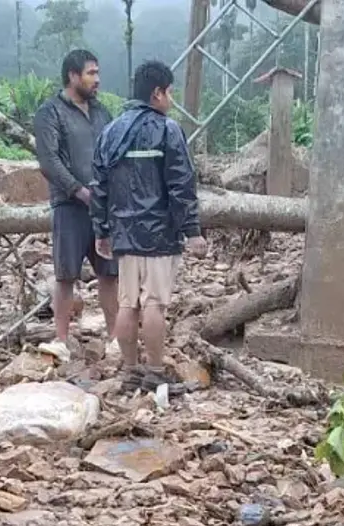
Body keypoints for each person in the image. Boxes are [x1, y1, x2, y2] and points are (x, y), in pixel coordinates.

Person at [91, 60, 207, 372]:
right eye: (170, 92)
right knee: (155, 304)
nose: (171, 99)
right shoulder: (168, 130)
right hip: (160, 233)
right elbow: (181, 184)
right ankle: (155, 370)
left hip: (124, 234)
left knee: (128, 304)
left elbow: (99, 186)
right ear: (157, 93)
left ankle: (130, 369)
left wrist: (102, 229)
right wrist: (192, 230)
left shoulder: (110, 132)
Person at [33, 49, 118, 363]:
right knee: (66, 274)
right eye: (91, 73)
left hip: (103, 207)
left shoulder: (101, 113)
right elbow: (49, 161)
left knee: (110, 272)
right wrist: (80, 192)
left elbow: (114, 151)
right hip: (69, 207)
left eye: (97, 73)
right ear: (72, 75)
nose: (97, 79)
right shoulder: (50, 112)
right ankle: (61, 339)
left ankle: (114, 338)